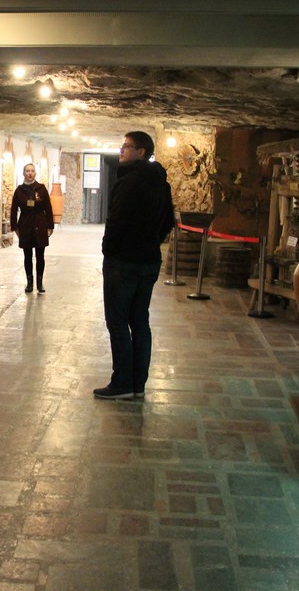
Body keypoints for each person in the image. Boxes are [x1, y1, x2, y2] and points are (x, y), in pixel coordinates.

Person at [94, 131, 175, 400]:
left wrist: (109, 250)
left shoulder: (129, 182)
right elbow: (168, 221)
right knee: (140, 322)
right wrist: (151, 242)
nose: (122, 150)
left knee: (117, 322)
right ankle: (138, 384)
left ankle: (122, 383)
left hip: (124, 263)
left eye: (127, 146)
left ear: (141, 152)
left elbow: (116, 221)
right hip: (149, 261)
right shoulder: (161, 184)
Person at [10, 163, 54, 293]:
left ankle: (40, 283)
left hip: (40, 224)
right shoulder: (19, 191)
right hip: (25, 224)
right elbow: (13, 210)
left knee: (40, 255)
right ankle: (29, 282)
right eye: (27, 171)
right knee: (27, 255)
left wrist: (50, 225)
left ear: (35, 173)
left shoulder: (41, 189)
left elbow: (48, 208)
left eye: (32, 171)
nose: (30, 173)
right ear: (23, 173)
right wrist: (15, 227)